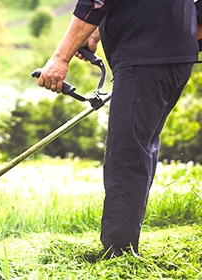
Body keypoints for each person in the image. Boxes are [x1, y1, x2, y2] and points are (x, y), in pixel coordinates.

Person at [37, 0, 201, 258]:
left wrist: (60, 57)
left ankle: (118, 253)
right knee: (141, 147)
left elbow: (95, 2)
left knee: (126, 154)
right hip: (176, 54)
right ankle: (123, 245)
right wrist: (96, 31)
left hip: (146, 52)